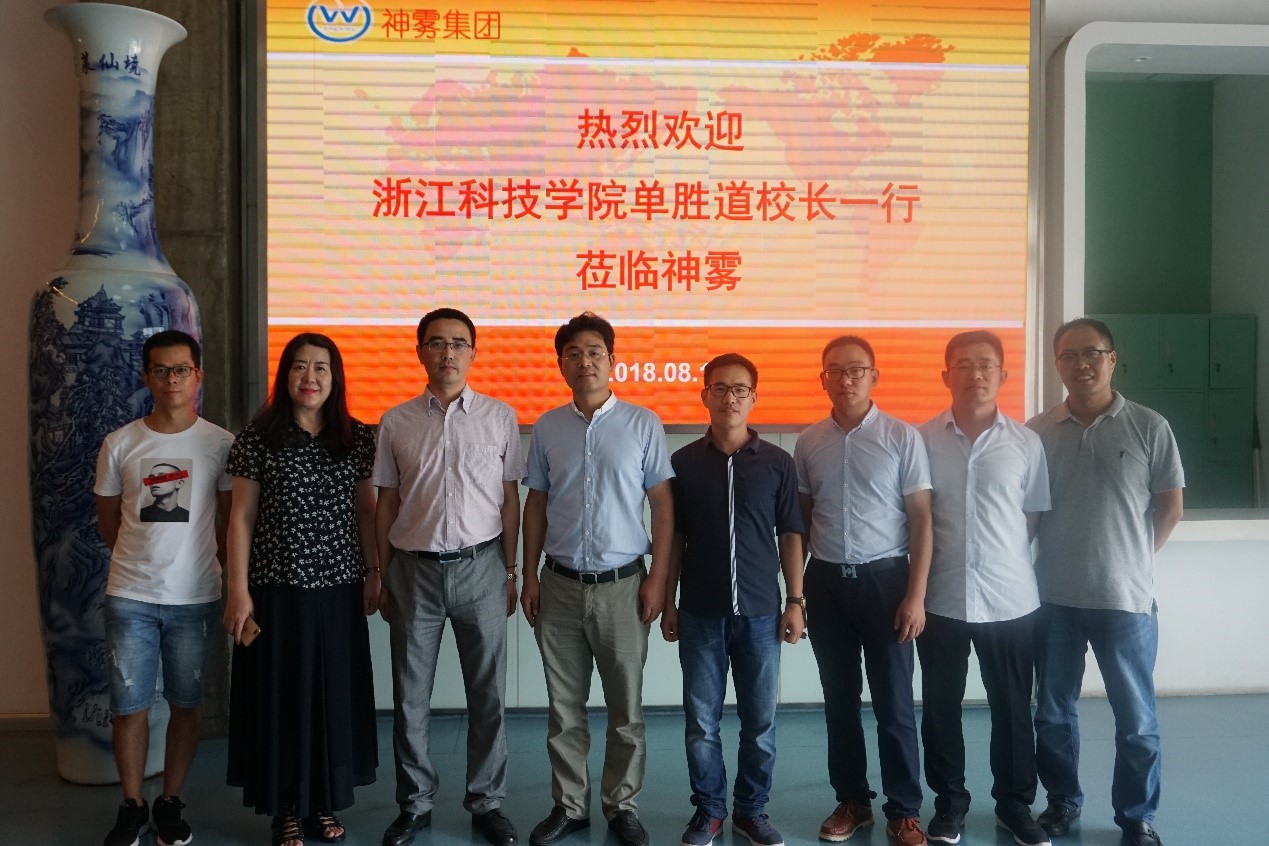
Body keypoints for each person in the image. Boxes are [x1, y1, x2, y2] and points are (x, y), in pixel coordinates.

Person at [1027, 319, 1184, 846]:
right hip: (1052, 599)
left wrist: (1131, 557)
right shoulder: (1037, 432)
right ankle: (1062, 802)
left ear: (1112, 359)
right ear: (1057, 365)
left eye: (1092, 353)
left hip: (1125, 601)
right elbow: (1027, 514)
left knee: (1136, 718)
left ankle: (1136, 816)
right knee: (1052, 713)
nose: (1082, 364)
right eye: (1069, 355)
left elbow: (1170, 507)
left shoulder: (1148, 426)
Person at [520, 312, 674, 846]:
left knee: (625, 710)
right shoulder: (547, 427)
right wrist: (529, 576)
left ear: (612, 360)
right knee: (564, 711)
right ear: (561, 363)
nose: (584, 361)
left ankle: (621, 806)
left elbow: (662, 504)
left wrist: (658, 578)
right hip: (559, 585)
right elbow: (535, 504)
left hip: (624, 587)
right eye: (573, 353)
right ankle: (570, 806)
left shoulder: (643, 423)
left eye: (594, 352)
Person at [373, 308, 525, 846]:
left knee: (489, 695)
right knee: (410, 696)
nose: (448, 352)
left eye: (459, 343)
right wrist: (382, 572)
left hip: (483, 568)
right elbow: (386, 501)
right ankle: (414, 804)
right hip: (413, 572)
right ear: (420, 352)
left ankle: (486, 802)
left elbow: (510, 500)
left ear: (473, 353)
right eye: (437, 342)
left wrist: (511, 569)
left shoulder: (499, 417)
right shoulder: (396, 421)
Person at [223, 333, 379, 846]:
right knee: (283, 699)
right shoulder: (259, 437)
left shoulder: (356, 438)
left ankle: (322, 801)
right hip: (276, 593)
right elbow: (241, 517)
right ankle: (286, 807)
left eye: (320, 368)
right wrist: (238, 590)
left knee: (332, 698)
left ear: (335, 378)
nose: (309, 377)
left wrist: (374, 571)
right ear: (284, 375)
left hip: (338, 593)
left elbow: (366, 511)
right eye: (299, 366)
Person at [94, 329, 233, 846]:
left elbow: (228, 523)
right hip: (130, 596)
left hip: (195, 598)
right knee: (128, 706)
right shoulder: (121, 443)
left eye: (181, 370)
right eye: (160, 370)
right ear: (146, 377)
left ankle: (170, 801)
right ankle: (132, 804)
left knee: (186, 704)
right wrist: (142, 562)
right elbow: (109, 521)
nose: (171, 379)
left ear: (197, 376)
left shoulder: (221, 444)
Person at [793, 335, 933, 846]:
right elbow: (802, 521)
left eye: (856, 369)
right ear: (823, 379)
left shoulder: (902, 437)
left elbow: (921, 519)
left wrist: (915, 595)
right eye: (835, 370)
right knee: (840, 702)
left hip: (887, 583)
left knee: (894, 703)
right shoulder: (809, 442)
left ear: (875, 376)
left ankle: (904, 810)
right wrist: (796, 595)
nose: (846, 378)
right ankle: (852, 800)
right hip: (826, 583)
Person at [661, 353, 805, 846]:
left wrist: (796, 600)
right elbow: (675, 538)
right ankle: (708, 811)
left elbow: (790, 534)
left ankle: (751, 811)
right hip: (700, 613)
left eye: (740, 389)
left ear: (754, 397)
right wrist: (669, 602)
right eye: (720, 388)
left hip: (762, 614)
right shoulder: (682, 463)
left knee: (760, 723)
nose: (730, 397)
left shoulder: (778, 463)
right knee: (701, 723)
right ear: (704, 395)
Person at [915, 331, 1051, 846]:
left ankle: (1014, 805)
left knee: (1013, 709)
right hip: (941, 597)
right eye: (964, 365)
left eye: (986, 365)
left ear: (1003, 375)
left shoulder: (1026, 443)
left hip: (1010, 599)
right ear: (945, 375)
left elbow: (1032, 516)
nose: (976, 374)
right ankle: (949, 804)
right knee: (940, 708)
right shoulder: (922, 439)